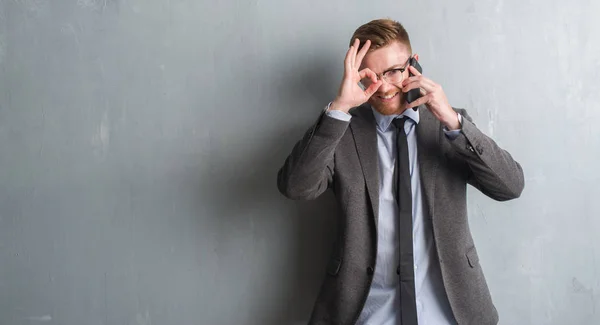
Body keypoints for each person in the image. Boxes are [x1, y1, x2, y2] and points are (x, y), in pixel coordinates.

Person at [277, 18, 524, 325]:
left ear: (414, 65)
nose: (384, 87)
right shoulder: (342, 132)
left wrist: (452, 122)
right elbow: (295, 187)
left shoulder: (449, 125)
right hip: (366, 313)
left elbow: (510, 186)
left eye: (393, 71)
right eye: (370, 75)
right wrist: (339, 108)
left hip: (450, 313)